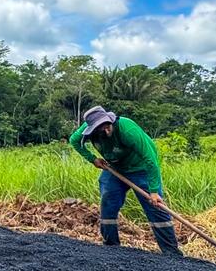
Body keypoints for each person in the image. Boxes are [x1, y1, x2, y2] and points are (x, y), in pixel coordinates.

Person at [68, 105, 183, 256]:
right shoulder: (87, 131)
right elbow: (74, 141)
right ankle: (111, 247)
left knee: (156, 208)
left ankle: (171, 253)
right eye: (101, 130)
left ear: (110, 121)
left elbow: (150, 159)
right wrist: (93, 159)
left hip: (140, 169)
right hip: (115, 169)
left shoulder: (127, 129)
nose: (107, 131)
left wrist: (154, 191)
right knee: (108, 201)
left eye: (108, 127)